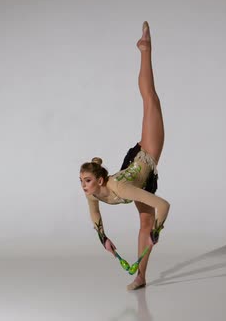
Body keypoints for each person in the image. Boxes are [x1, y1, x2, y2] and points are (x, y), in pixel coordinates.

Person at [79, 21, 170, 290]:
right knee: (143, 222)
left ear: (99, 180)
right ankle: (141, 276)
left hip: (146, 154)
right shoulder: (92, 193)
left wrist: (157, 232)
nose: (83, 186)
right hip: (135, 171)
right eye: (82, 181)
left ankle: (145, 49)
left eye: (86, 181)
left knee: (150, 99)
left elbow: (163, 206)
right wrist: (103, 239)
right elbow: (95, 217)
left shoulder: (119, 187)